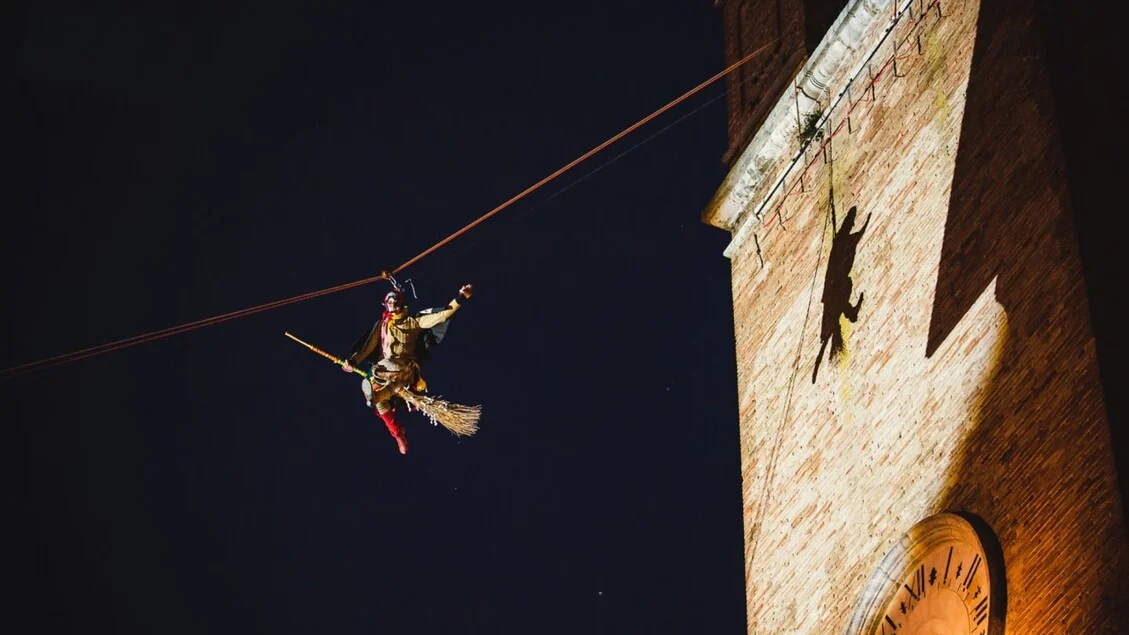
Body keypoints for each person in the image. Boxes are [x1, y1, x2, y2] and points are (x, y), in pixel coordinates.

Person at [341, 281, 473, 454]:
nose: (392, 307)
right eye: (389, 304)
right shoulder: (382, 325)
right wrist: (353, 361)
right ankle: (397, 433)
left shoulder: (413, 322)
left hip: (405, 369)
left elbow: (442, 316)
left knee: (381, 370)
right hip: (389, 374)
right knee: (379, 400)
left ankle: (377, 389)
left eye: (395, 303)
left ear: (401, 304)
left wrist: (461, 297)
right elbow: (368, 347)